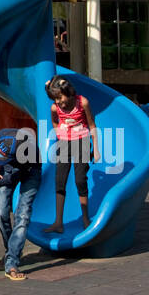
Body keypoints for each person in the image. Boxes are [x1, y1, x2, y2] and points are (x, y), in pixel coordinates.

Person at [44, 75, 100, 234]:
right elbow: (55, 121)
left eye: (60, 97)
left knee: (80, 180)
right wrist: (58, 132)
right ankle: (58, 222)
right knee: (59, 181)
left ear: (69, 92)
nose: (59, 102)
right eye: (55, 99)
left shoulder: (82, 102)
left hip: (81, 142)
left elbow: (91, 125)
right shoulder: (55, 107)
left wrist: (95, 149)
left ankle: (85, 218)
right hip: (64, 143)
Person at [0, 126, 41, 281]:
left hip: (31, 171)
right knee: (0, 213)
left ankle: (12, 262)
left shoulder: (30, 151)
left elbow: (14, 177)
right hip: (8, 169)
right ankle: (11, 249)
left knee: (22, 216)